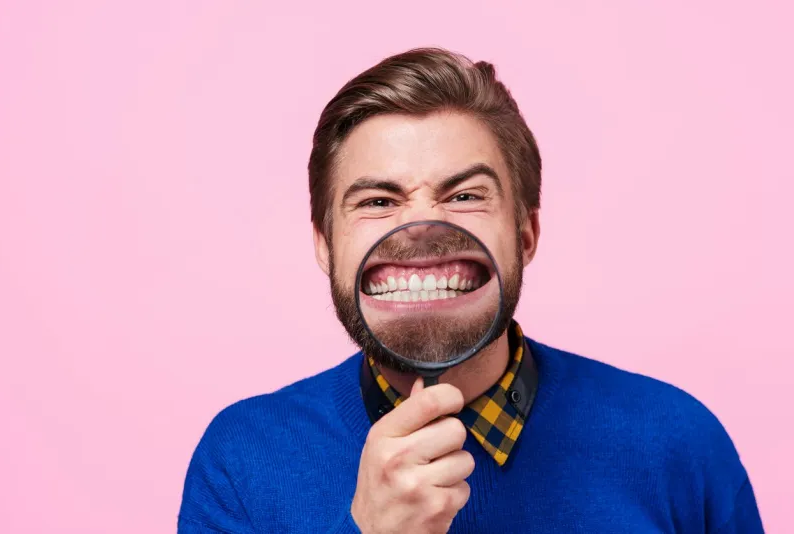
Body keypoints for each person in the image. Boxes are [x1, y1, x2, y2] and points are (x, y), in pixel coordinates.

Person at [177, 47, 764, 533]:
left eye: (464, 196)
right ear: (326, 247)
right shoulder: (242, 463)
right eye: (378, 202)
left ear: (526, 234)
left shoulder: (676, 441)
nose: (426, 230)